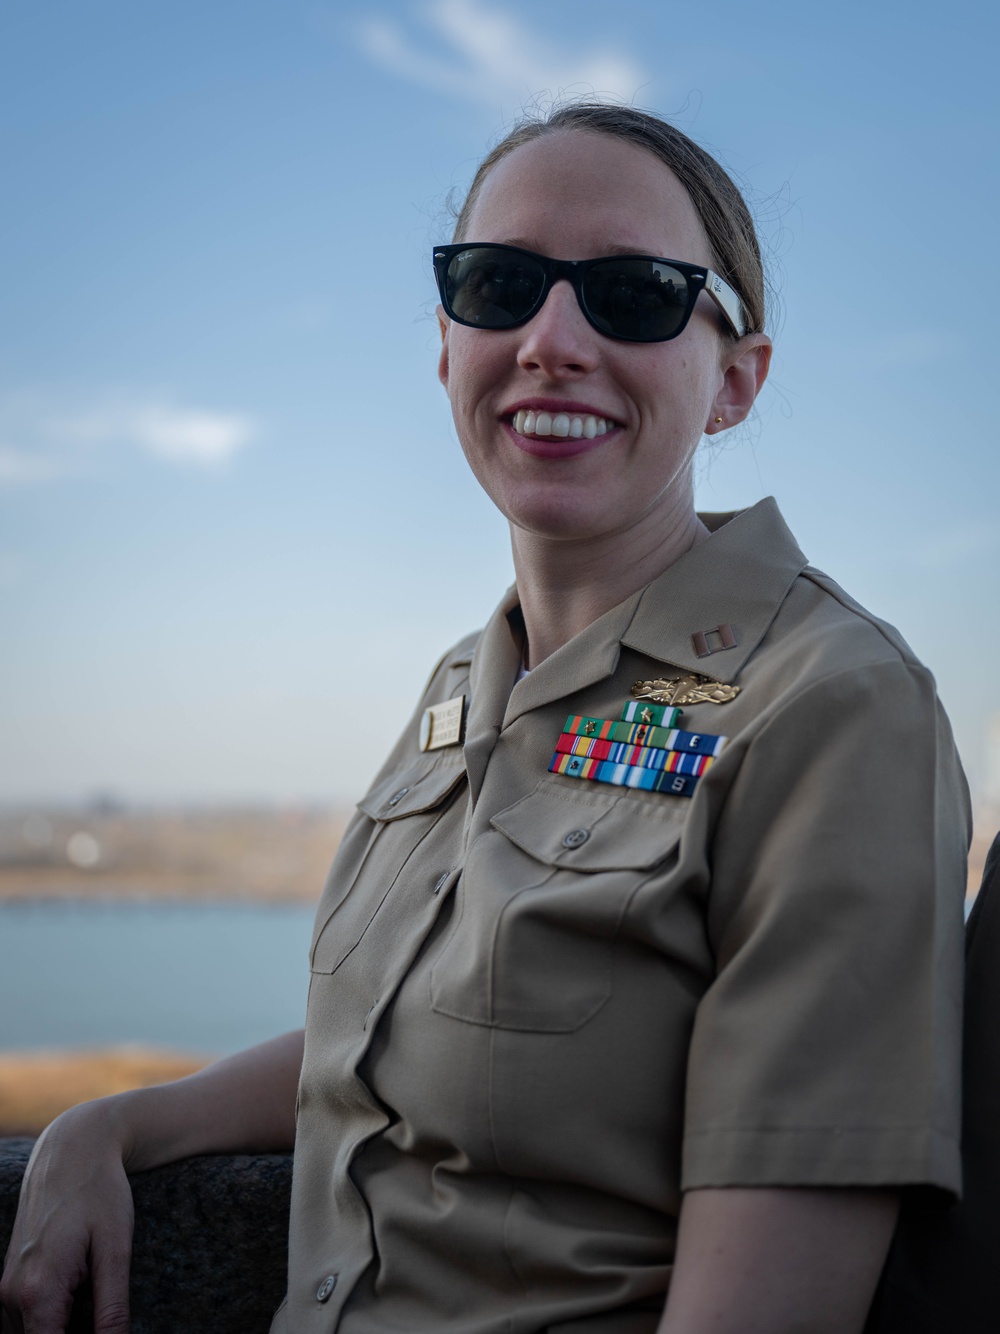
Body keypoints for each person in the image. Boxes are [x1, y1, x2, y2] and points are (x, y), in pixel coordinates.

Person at [0, 102, 970, 1334]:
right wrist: (110, 1125)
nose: (550, 338)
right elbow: (387, 1028)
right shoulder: (471, 678)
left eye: (633, 293)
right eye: (498, 283)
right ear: (448, 346)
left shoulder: (832, 704)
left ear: (734, 381)